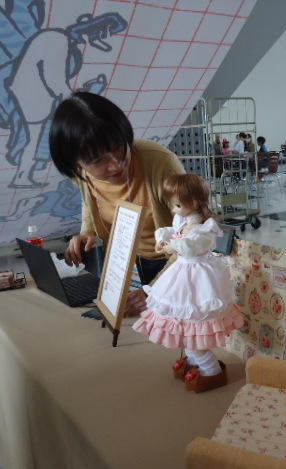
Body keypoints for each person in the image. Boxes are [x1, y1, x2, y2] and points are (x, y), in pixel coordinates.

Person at [49, 91, 185, 316]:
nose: (116, 165)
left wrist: (156, 290)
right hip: (134, 264)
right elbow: (90, 200)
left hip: (177, 264)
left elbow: (193, 238)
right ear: (76, 164)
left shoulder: (161, 164)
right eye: (98, 160)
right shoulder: (82, 173)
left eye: (119, 147)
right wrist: (88, 231)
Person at [132, 174, 243, 392]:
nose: (174, 210)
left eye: (177, 205)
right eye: (172, 205)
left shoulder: (205, 228)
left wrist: (171, 245)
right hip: (181, 274)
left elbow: (191, 247)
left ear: (193, 203)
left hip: (198, 276)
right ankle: (193, 360)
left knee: (194, 321)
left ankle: (211, 370)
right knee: (183, 323)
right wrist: (163, 238)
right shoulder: (182, 221)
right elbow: (171, 232)